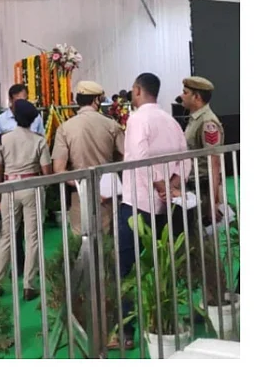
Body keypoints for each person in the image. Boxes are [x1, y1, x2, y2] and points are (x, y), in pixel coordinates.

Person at [114, 72, 192, 349]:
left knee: (125, 268)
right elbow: (185, 158)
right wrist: (171, 186)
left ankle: (125, 332)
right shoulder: (170, 121)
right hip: (166, 205)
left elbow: (140, 157)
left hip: (138, 204)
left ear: (137, 90)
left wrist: (160, 185)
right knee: (162, 266)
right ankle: (162, 324)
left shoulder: (137, 119)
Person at [0, 100, 50, 301]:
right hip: (32, 186)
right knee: (32, 237)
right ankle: (29, 285)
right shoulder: (39, 140)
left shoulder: (4, 138)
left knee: (7, 236)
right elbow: (47, 172)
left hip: (9, 188)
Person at [51, 80, 125, 235]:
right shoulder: (111, 125)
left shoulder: (65, 128)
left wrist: (82, 185)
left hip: (79, 194)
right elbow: (126, 157)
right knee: (108, 239)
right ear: (96, 100)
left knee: (81, 240)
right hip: (107, 194)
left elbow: (58, 169)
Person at [0, 84, 45, 265]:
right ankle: (24, 273)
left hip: (16, 184)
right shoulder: (0, 121)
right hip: (19, 183)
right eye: (20, 99)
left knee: (13, 234)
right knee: (23, 235)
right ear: (10, 100)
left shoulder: (34, 121)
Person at [180, 76, 226, 218]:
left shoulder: (207, 122)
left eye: (185, 92)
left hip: (203, 190)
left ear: (197, 97)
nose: (181, 96)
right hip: (194, 187)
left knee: (203, 230)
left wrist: (214, 201)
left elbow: (214, 162)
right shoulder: (195, 119)